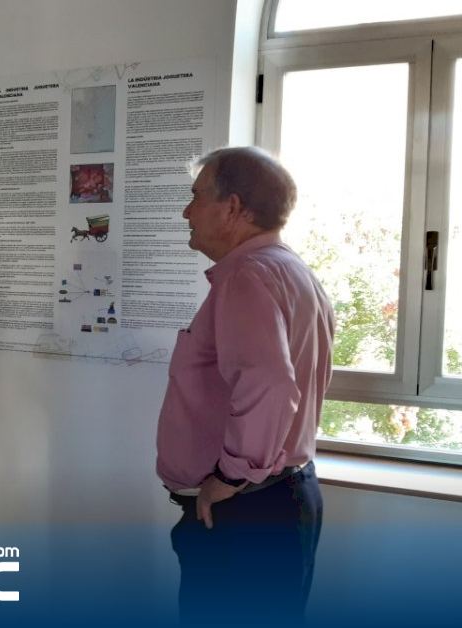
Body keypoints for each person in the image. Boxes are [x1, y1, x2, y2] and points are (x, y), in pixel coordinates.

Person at [155, 147, 334, 623]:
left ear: (233, 207)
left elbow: (271, 386)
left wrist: (230, 478)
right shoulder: (293, 270)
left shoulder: (246, 277)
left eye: (196, 197)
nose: (187, 212)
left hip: (246, 509)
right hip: (280, 498)